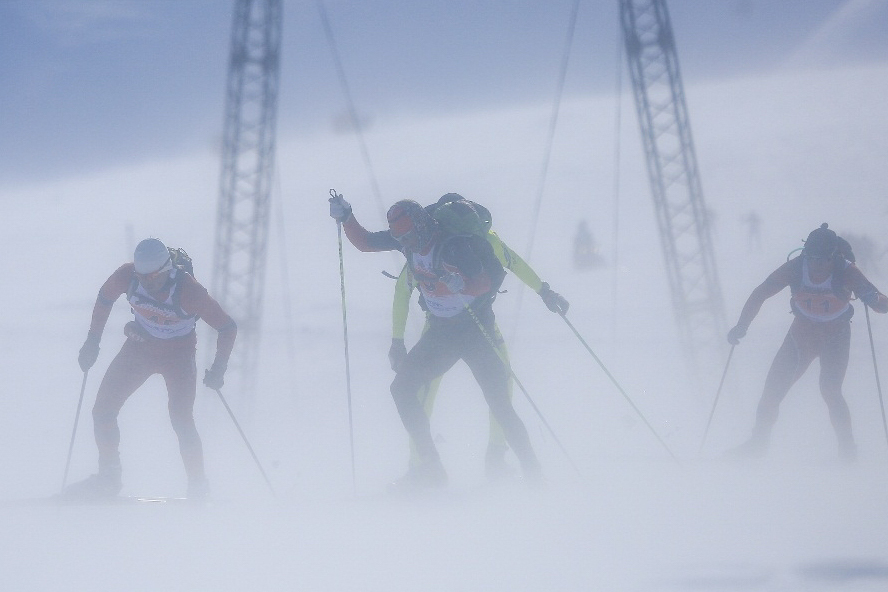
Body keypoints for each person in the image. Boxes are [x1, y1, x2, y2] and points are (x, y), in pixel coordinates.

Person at [329, 192, 544, 489]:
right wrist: (347, 217)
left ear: (420, 227)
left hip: (474, 330)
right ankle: (431, 467)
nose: (403, 244)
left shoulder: (454, 246)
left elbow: (490, 280)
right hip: (442, 334)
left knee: (499, 404)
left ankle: (534, 473)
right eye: (399, 238)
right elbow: (366, 243)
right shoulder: (409, 239)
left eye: (406, 237)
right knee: (401, 389)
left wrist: (463, 284)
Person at [388, 195, 569, 480]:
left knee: (419, 395)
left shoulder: (422, 246)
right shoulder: (483, 238)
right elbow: (514, 263)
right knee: (500, 399)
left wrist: (397, 341)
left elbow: (402, 290)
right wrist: (544, 291)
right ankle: (514, 466)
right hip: (479, 329)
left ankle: (424, 467)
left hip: (439, 330)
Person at [67, 238, 237, 499]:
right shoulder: (127, 276)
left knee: (181, 420)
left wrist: (218, 369)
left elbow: (227, 327)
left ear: (168, 270)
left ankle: (198, 486)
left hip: (178, 357)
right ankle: (109, 478)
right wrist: (92, 341)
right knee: (102, 411)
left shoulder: (190, 292)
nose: (147, 282)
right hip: (139, 348)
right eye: (142, 276)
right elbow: (104, 298)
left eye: (154, 277)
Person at [726, 223, 887, 461]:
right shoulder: (795, 268)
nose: (817, 264)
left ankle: (847, 451)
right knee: (772, 390)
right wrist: (742, 326)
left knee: (830, 390)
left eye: (823, 259)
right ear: (805, 254)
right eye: (812, 258)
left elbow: (876, 301)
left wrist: (876, 300)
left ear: (834, 256)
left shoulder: (847, 271)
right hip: (801, 335)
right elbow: (761, 293)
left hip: (836, 337)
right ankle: (757, 445)